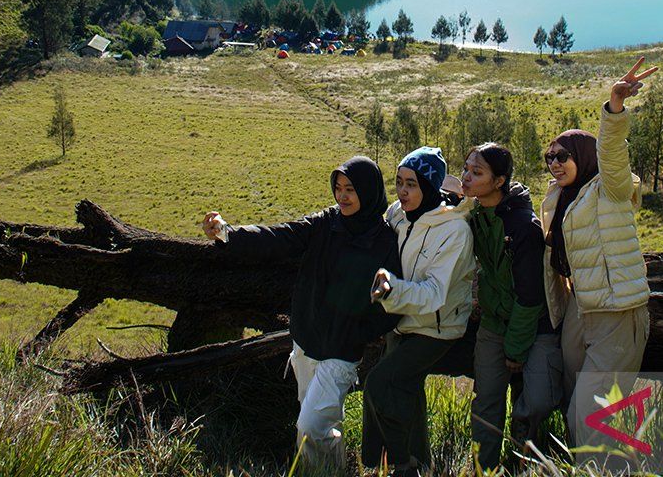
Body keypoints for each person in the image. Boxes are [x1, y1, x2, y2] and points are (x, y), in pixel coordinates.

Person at [201, 156, 400, 472]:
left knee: (309, 426)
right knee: (320, 422)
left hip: (342, 352)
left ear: (369, 190)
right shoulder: (326, 223)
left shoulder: (385, 240)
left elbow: (393, 302)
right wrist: (229, 233)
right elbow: (280, 237)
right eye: (338, 188)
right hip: (307, 340)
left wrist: (360, 333)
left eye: (351, 188)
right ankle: (331, 470)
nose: (342, 196)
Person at [540, 56, 657, 465]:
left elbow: (611, 152)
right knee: (573, 396)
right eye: (549, 157)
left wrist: (614, 108)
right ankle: (591, 461)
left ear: (584, 154)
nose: (554, 163)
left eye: (563, 155)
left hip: (618, 307)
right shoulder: (556, 199)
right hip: (581, 306)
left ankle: (594, 468)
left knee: (589, 411)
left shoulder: (610, 187)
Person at [363, 146, 475, 477]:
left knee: (379, 384)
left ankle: (402, 464)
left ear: (429, 186)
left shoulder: (453, 231)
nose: (402, 191)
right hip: (401, 321)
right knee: (407, 392)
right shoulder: (398, 214)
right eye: (398, 182)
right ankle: (414, 462)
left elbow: (435, 294)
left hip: (437, 327)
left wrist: (391, 289)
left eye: (412, 183)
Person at [460, 142, 562, 471]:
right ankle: (483, 467)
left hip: (536, 324)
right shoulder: (475, 213)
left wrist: (516, 350)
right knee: (487, 400)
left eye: (477, 172)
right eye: (466, 169)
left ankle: (522, 462)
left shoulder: (522, 227)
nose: (466, 177)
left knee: (537, 401)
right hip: (494, 322)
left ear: (499, 181)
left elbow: (530, 296)